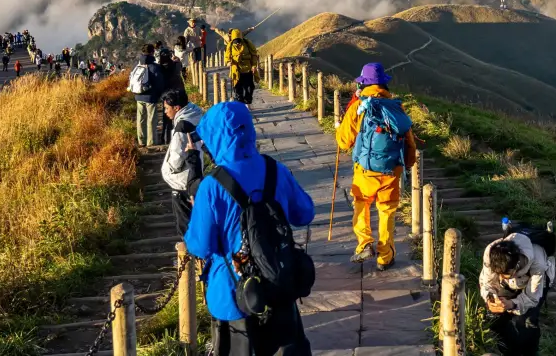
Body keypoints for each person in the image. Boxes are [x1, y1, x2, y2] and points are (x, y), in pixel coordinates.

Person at [185, 101, 315, 356]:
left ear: (215, 137)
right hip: (278, 280)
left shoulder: (211, 185)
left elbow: (200, 246)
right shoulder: (275, 169)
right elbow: (305, 213)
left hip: (234, 292)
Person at [335, 63, 416, 271]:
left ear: (363, 83)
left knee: (361, 204)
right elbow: (409, 140)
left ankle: (364, 244)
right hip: (391, 170)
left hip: (365, 170)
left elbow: (343, 141)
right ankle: (385, 257)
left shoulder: (359, 106)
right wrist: (406, 164)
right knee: (386, 211)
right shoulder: (396, 107)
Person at [479, 231, 555, 356]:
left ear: (517, 265)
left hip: (537, 284)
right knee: (494, 318)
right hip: (511, 283)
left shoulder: (538, 264)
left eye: (505, 274)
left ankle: (529, 353)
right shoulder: (490, 253)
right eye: (498, 274)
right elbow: (487, 282)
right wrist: (490, 298)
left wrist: (512, 304)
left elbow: (532, 297)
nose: (500, 276)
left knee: (527, 323)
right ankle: (512, 352)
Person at [159, 89, 204, 236]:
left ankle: (188, 247)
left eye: (167, 108)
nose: (165, 112)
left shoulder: (181, 126)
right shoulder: (196, 115)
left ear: (177, 108)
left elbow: (177, 156)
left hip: (182, 180)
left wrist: (169, 169)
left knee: (184, 222)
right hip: (197, 169)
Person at [129, 44, 166, 147]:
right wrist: (159, 95)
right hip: (151, 97)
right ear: (152, 52)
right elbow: (159, 83)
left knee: (140, 119)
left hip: (138, 95)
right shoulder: (154, 67)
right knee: (151, 120)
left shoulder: (137, 65)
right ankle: (151, 142)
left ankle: (141, 141)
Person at [222, 29, 259, 104]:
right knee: (238, 88)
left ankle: (247, 101)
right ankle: (240, 103)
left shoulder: (247, 43)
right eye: (235, 41)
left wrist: (254, 65)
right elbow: (227, 56)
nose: (237, 43)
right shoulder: (230, 45)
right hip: (236, 70)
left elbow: (254, 55)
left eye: (239, 40)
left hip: (248, 69)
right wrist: (228, 62)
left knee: (249, 88)